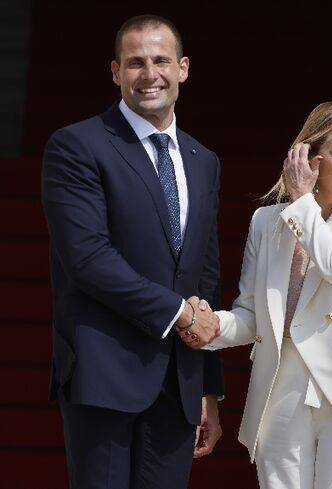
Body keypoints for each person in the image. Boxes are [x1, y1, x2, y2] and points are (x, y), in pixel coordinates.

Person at [188, 97, 332, 489]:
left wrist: (302, 202)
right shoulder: (266, 221)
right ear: (309, 156)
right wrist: (207, 325)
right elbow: (253, 315)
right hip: (281, 387)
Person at [40, 14, 224, 489]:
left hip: (179, 384)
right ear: (116, 72)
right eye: (135, 62)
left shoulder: (204, 161)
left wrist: (208, 388)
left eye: (161, 60)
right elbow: (88, 259)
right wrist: (180, 314)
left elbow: (204, 275)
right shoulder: (77, 145)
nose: (150, 74)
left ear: (183, 68)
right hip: (104, 373)